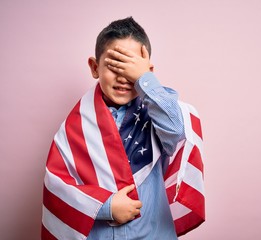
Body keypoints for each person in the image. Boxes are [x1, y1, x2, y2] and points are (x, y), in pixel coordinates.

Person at [41, 17, 205, 239]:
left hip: (153, 233)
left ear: (147, 70)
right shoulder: (76, 126)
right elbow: (57, 185)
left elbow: (176, 132)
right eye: (113, 65)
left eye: (131, 68)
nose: (123, 77)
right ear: (94, 67)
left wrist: (145, 80)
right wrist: (106, 206)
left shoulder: (158, 110)